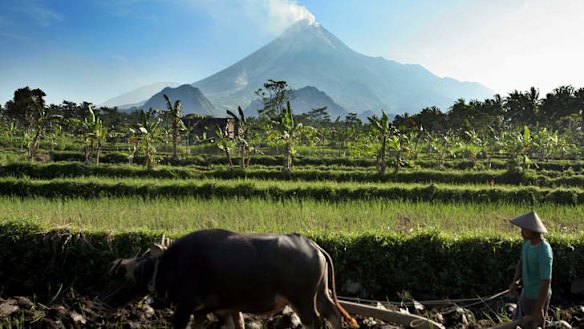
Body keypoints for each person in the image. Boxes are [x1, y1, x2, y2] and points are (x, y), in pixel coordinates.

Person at [509, 210, 553, 328]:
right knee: (519, 322)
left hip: (538, 297)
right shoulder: (527, 244)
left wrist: (539, 308)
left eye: (524, 229)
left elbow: (546, 282)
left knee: (534, 325)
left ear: (532, 231)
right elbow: (522, 263)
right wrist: (516, 281)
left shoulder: (544, 251)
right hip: (526, 293)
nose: (521, 232)